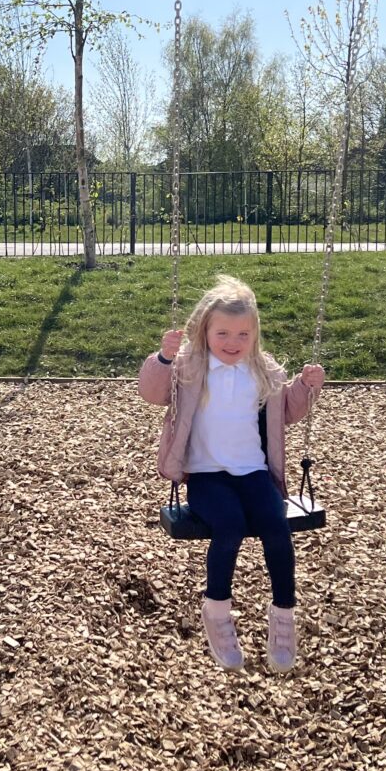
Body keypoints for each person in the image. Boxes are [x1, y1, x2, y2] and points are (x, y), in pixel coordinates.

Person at [138, 275, 325, 674]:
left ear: (254, 335)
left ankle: (284, 617)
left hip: (253, 471)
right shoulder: (189, 366)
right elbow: (153, 394)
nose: (232, 341)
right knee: (230, 526)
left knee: (277, 527)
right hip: (207, 475)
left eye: (243, 333)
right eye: (222, 332)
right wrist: (164, 358)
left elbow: (287, 412)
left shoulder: (262, 369)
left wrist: (306, 388)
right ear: (204, 330)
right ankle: (217, 611)